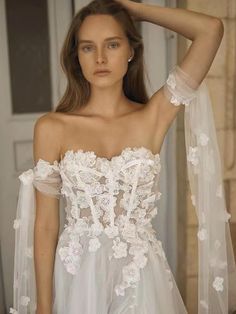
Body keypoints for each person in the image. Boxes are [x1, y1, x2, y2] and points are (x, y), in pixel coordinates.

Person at [10, 0, 236, 313]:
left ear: (130, 50)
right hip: (78, 279)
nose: (100, 58)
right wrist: (44, 307)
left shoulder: (153, 116)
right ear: (77, 57)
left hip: (141, 278)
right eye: (88, 48)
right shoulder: (52, 128)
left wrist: (135, 10)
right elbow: (46, 225)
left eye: (113, 44)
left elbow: (210, 30)